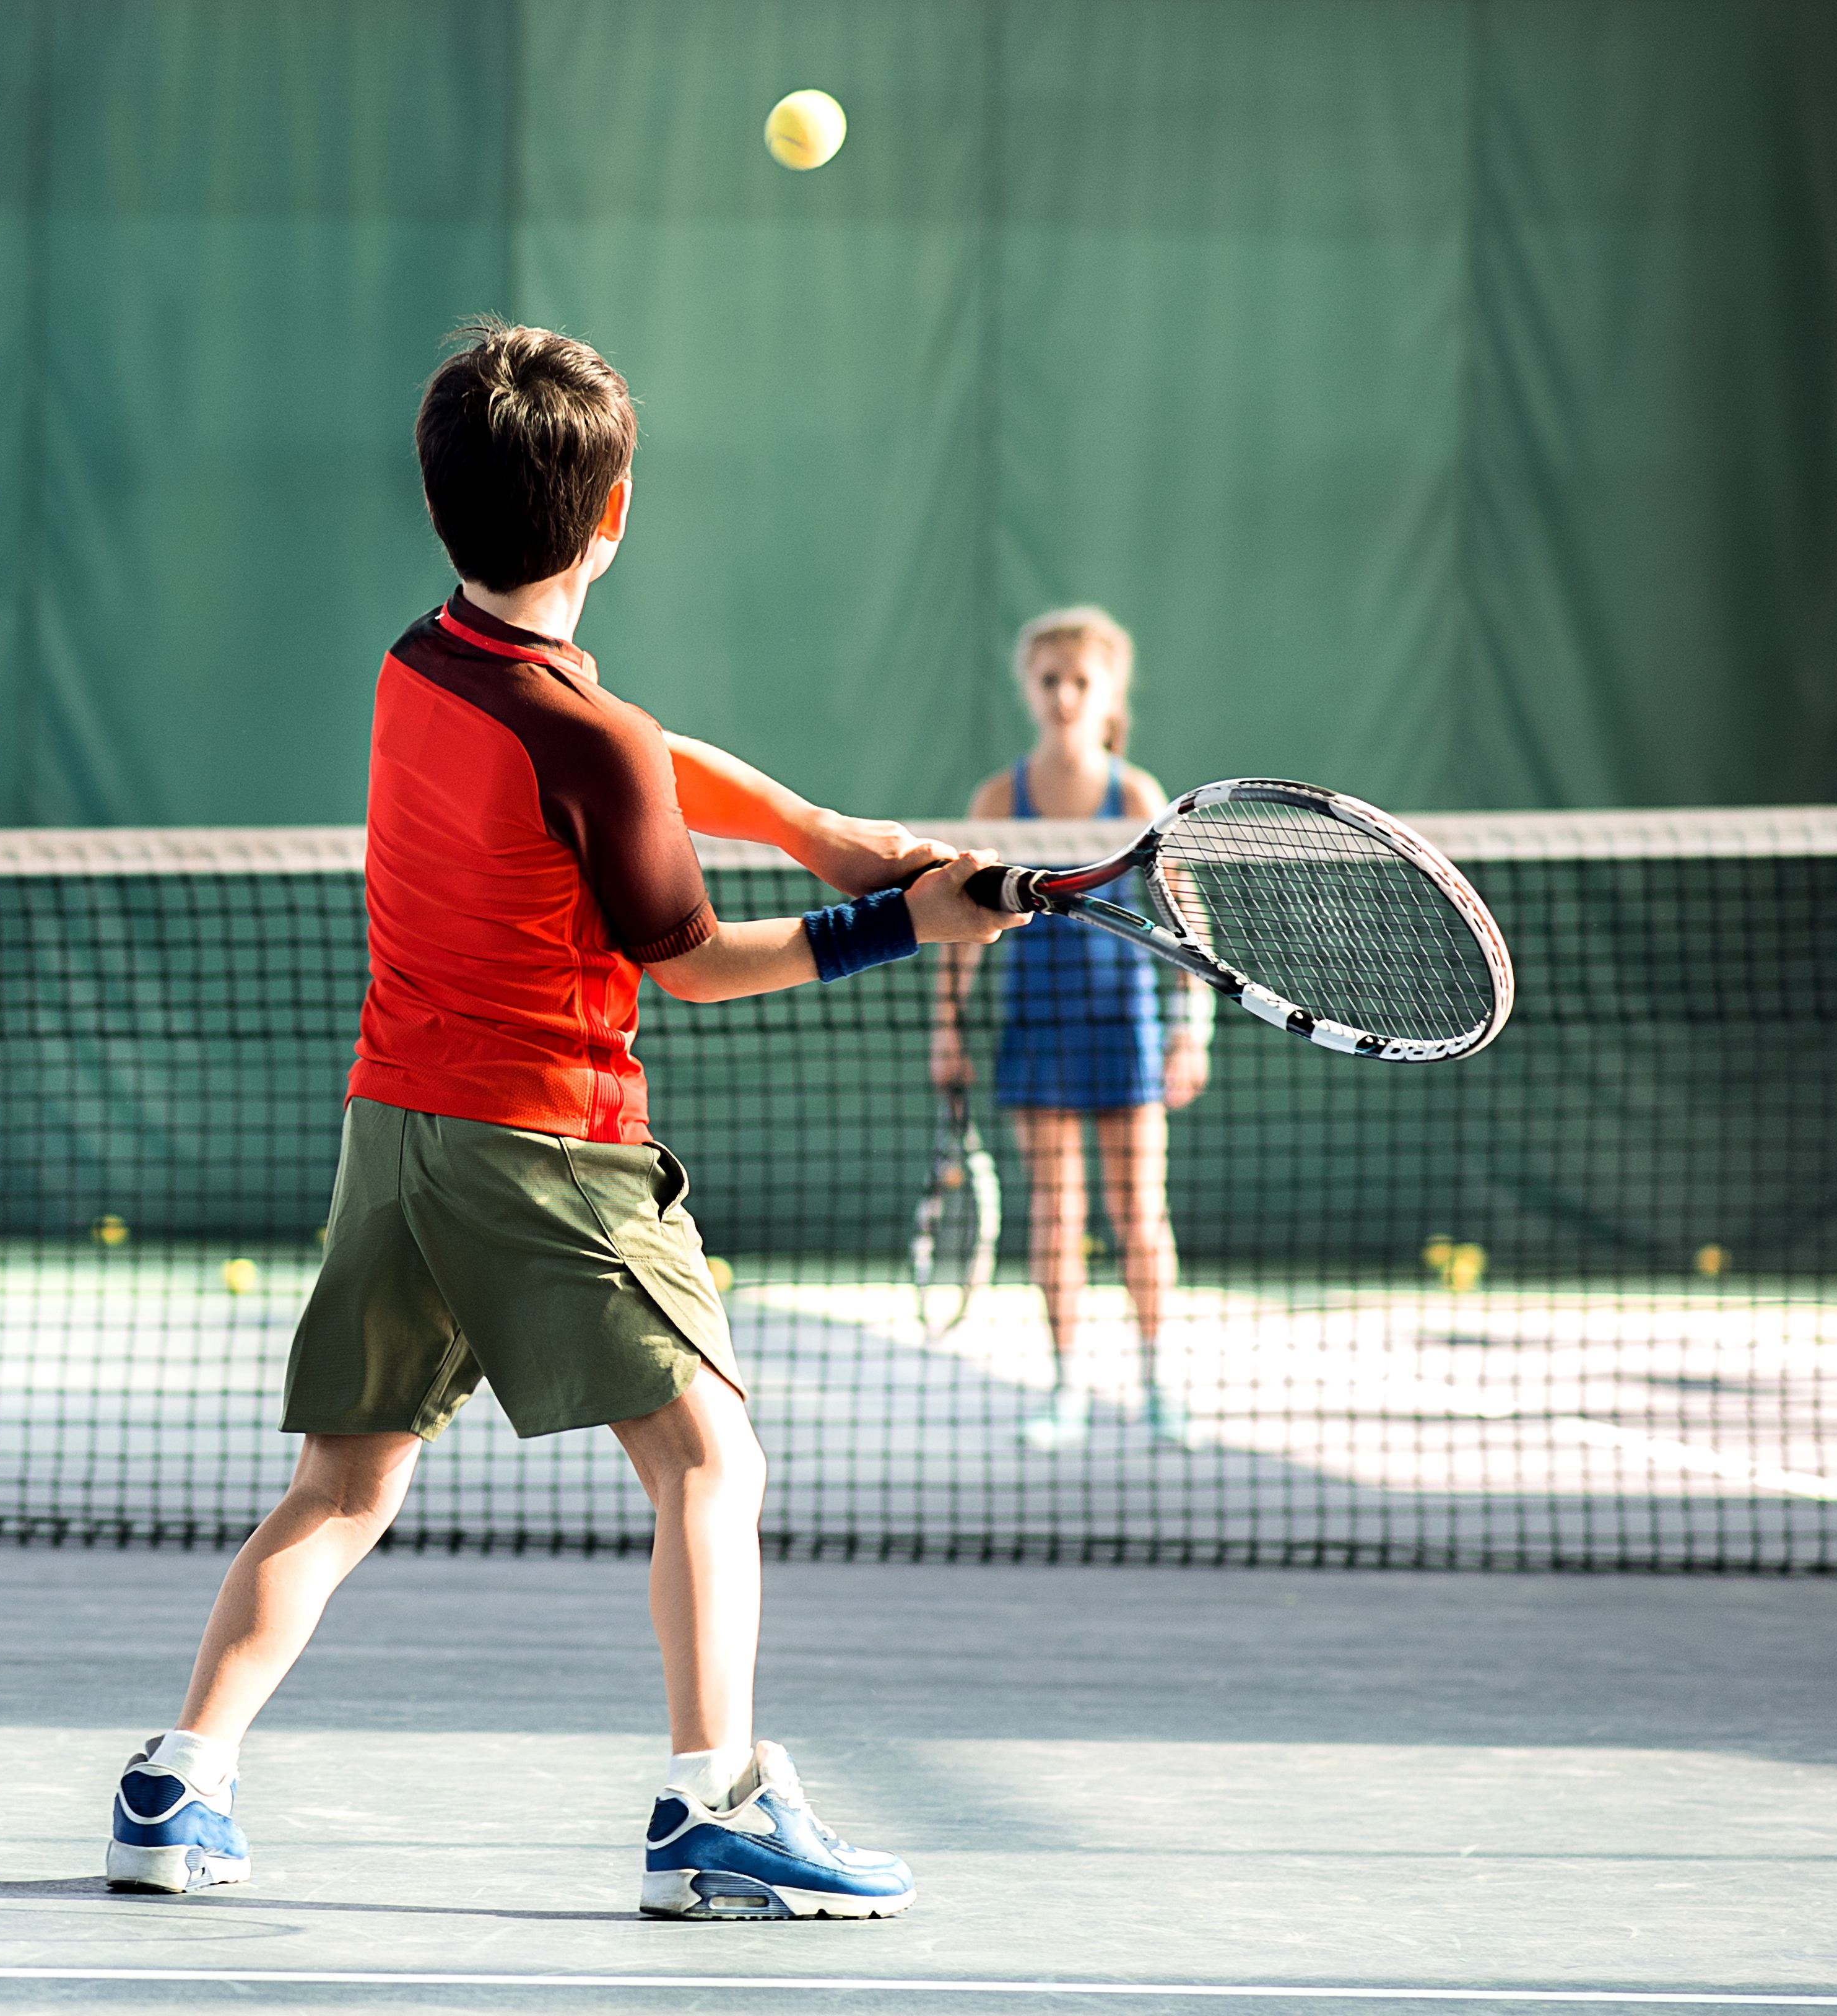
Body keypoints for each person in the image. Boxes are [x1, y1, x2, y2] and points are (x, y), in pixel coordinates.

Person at [103, 321, 1020, 1920]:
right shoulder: (580, 735)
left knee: (338, 1490)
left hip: (391, 1136)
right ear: (611, 520)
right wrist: (894, 926)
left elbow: (632, 758)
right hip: (548, 1149)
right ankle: (710, 1809)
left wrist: (813, 833)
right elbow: (690, 962)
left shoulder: (423, 661)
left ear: (443, 507)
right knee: (708, 1465)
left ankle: (175, 1784)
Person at [929, 607, 1212, 1451]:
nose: (1062, 697)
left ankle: (1159, 1387)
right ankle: (1064, 1392)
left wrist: (1190, 1027)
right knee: (1053, 1216)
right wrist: (944, 1030)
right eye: (1048, 680)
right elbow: (958, 924)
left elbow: (1182, 913)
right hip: (1036, 1028)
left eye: (1079, 682)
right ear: (1029, 688)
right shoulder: (996, 799)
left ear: (1107, 693)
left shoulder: (1133, 794)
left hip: (1123, 1029)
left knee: (1137, 1213)